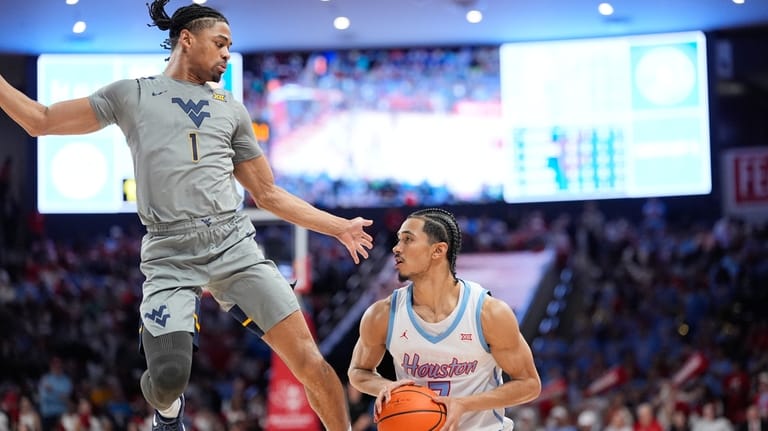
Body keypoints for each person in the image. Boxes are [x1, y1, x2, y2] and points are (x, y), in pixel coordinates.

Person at [0, 1, 374, 430]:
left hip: (234, 244)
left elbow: (267, 193)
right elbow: (40, 120)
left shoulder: (230, 107)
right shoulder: (132, 94)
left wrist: (338, 227)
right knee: (169, 379)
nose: (226, 54)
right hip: (169, 251)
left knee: (312, 363)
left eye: (230, 46)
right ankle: (167, 412)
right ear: (186, 39)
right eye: (220, 43)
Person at [347, 208, 541, 431]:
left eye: (408, 240)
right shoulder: (381, 314)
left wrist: (463, 404)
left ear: (438, 250)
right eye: (398, 240)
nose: (396, 248)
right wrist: (387, 386)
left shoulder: (488, 313)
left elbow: (529, 384)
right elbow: (358, 371)